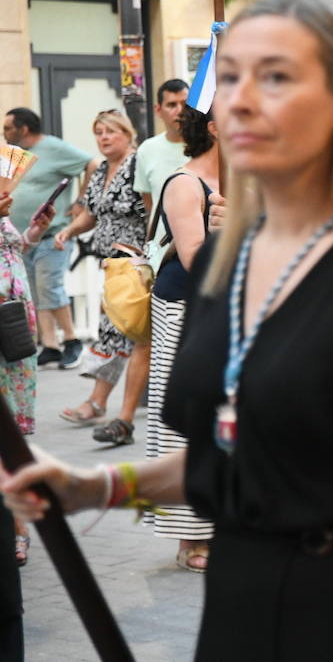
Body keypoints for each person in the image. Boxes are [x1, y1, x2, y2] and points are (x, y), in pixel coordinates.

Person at [2, 0, 333, 660]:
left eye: (274, 76)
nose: (237, 98)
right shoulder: (225, 263)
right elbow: (232, 458)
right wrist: (95, 486)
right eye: (229, 75)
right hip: (240, 610)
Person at [144, 105, 219, 573]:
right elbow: (195, 258)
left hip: (232, 310)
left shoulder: (250, 179)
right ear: (214, 127)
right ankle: (190, 535)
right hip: (185, 310)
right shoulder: (184, 183)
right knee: (184, 422)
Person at [53, 110, 148, 446]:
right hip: (110, 265)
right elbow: (91, 214)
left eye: (111, 132)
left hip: (135, 264)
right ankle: (104, 403)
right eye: (98, 132)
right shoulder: (100, 171)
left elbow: (152, 210)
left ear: (127, 133)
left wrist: (145, 254)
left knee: (117, 331)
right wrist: (68, 229)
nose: (104, 138)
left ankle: (98, 402)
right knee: (125, 334)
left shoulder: (139, 164)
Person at [3, 107, 99, 369]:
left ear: (24, 128)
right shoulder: (13, 154)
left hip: (52, 233)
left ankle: (71, 341)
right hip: (22, 237)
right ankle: (51, 345)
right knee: (36, 291)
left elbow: (92, 164)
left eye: (8, 128)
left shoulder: (54, 148)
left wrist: (81, 200)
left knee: (50, 287)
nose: (4, 133)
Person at [0, 189, 54, 568]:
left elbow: (14, 249)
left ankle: (19, 526)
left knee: (13, 431)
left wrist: (34, 230)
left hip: (14, 322)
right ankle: (15, 526)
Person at [134, 79, 190, 272]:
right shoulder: (147, 150)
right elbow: (150, 203)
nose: (180, 110)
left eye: (185, 104)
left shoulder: (210, 146)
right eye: (172, 105)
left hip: (203, 248)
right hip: (163, 253)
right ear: (158, 110)